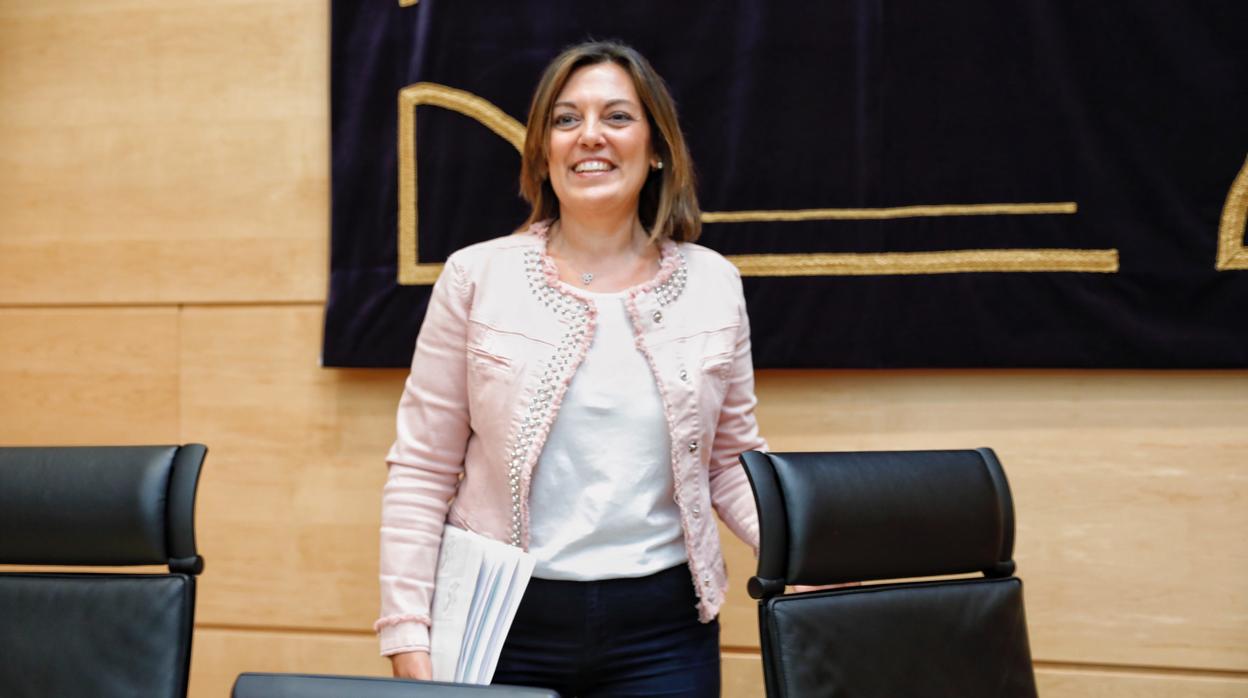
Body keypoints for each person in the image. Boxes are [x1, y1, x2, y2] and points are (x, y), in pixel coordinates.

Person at [376, 40, 767, 697]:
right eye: (566, 120)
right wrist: (407, 630)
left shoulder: (714, 283)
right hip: (499, 624)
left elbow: (730, 460)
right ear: (542, 152)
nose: (590, 136)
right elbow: (422, 468)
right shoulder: (476, 277)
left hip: (665, 635)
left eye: (617, 117)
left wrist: (799, 551)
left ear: (657, 147)